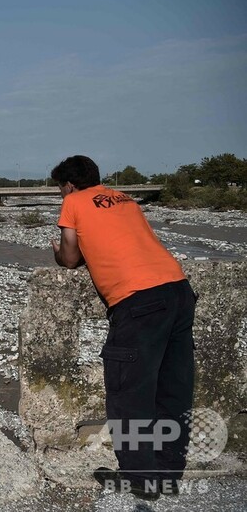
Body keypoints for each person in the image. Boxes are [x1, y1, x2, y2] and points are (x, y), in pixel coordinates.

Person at [49, 155, 196, 501]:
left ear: (68, 185)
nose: (61, 195)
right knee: (171, 389)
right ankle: (169, 473)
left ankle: (142, 479)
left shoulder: (72, 201)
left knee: (130, 393)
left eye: (60, 189)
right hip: (177, 289)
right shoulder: (125, 198)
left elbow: (70, 258)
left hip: (138, 300)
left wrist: (58, 252)